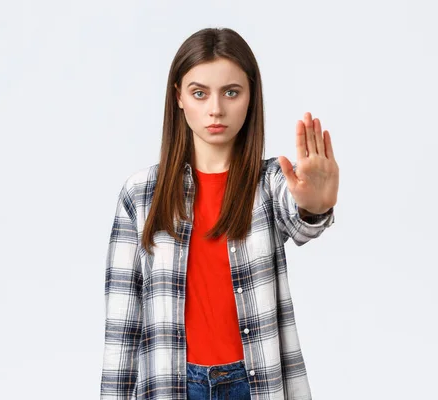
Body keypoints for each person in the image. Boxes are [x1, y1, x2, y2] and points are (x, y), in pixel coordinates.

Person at [101, 27, 339, 400]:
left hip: (255, 383)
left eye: (231, 92)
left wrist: (317, 206)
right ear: (178, 96)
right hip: (173, 385)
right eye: (200, 93)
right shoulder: (140, 194)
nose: (216, 108)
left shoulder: (271, 183)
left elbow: (301, 220)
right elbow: (122, 327)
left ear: (250, 97)